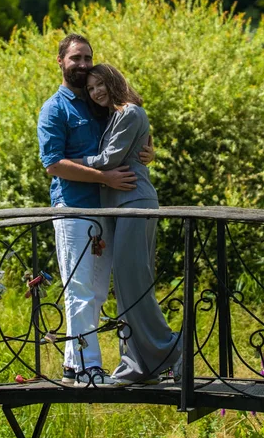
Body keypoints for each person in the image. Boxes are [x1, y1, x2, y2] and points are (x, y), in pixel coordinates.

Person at [37, 34, 153, 387]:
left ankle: (75, 365)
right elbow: (53, 164)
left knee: (98, 291)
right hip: (73, 209)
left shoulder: (96, 102)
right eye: (76, 58)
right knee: (81, 289)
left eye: (88, 57)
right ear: (60, 61)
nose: (83, 64)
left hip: (108, 211)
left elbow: (131, 127)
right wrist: (103, 176)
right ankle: (88, 369)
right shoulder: (53, 109)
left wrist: (149, 151)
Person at [71, 63, 182, 386]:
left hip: (135, 204)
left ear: (113, 80)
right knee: (126, 287)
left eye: (99, 84)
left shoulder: (130, 113)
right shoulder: (117, 117)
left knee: (134, 284)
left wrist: (68, 164)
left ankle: (173, 349)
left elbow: (109, 159)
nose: (96, 92)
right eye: (90, 89)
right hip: (119, 208)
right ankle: (139, 364)